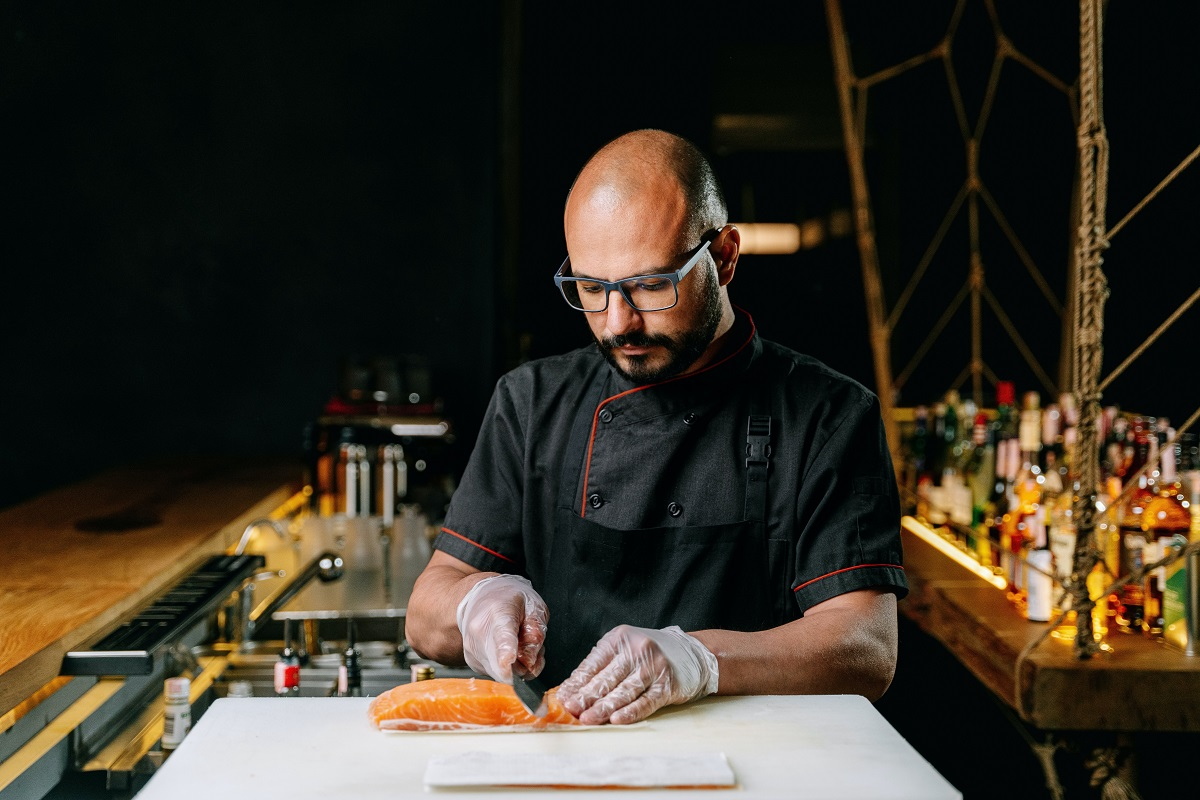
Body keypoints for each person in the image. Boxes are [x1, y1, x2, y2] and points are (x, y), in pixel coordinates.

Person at [405, 129, 907, 725]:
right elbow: (425, 611)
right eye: (592, 289)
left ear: (723, 258)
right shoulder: (531, 402)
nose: (619, 322)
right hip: (572, 760)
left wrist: (700, 660)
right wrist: (474, 605)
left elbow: (868, 650)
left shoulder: (827, 414)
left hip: (755, 767)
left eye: (650, 286)